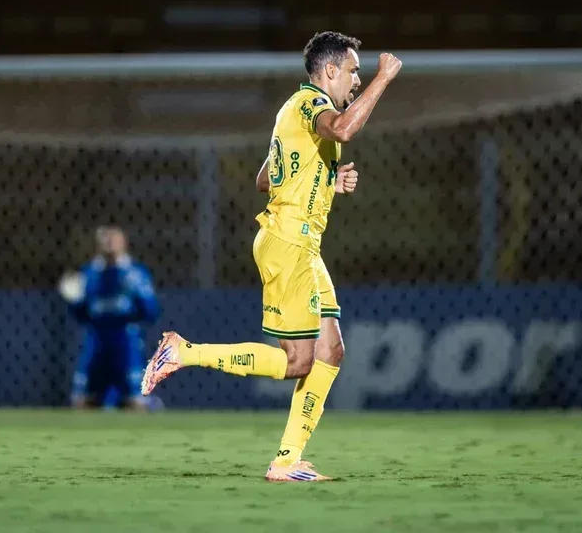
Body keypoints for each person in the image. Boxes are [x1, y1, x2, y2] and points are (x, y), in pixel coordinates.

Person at [141, 31, 402, 480]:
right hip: (288, 242)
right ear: (331, 70)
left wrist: (325, 181)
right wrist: (384, 79)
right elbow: (342, 129)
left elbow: (266, 177)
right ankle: (184, 352)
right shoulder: (312, 106)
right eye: (355, 71)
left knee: (331, 350)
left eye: (363, 72)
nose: (358, 79)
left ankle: (287, 461)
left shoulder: (294, 110)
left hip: (303, 244)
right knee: (299, 361)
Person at [59, 226, 162, 411]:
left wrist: (139, 293)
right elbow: (81, 315)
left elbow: (151, 312)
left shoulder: (135, 273)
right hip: (96, 342)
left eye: (113, 238)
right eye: (105, 239)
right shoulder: (88, 273)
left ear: (123, 242)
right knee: (83, 401)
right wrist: (73, 300)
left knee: (135, 402)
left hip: (125, 343)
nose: (109, 244)